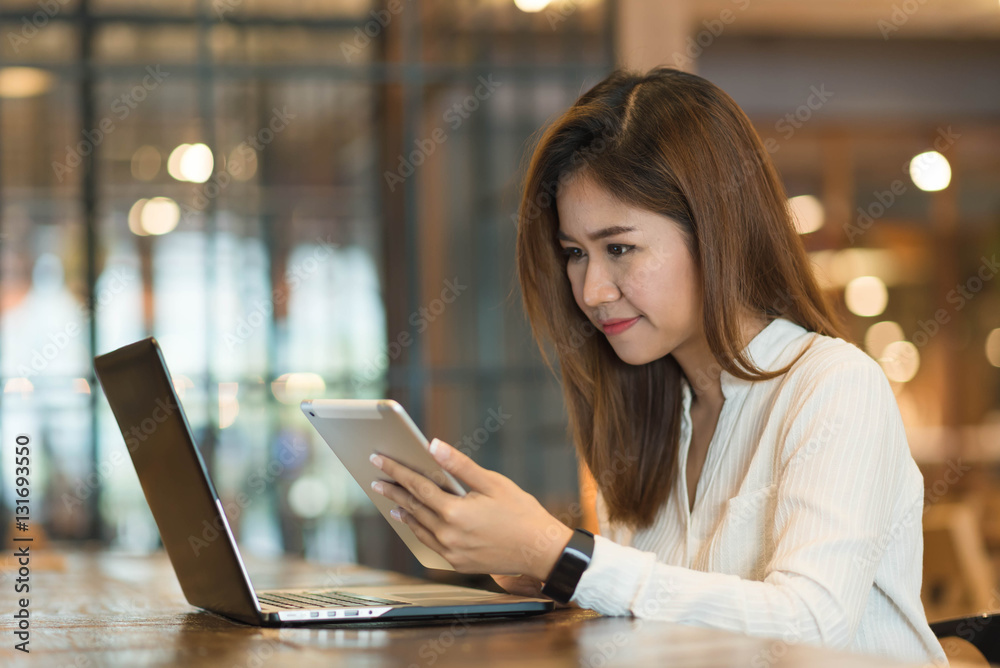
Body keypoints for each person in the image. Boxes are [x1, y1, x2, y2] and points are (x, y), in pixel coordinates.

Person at [368, 67, 946, 665]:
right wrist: (548, 573)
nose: (591, 290)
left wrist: (564, 555)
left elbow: (805, 631)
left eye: (619, 248)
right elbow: (658, 632)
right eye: (574, 254)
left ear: (714, 231)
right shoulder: (649, 409)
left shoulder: (834, 386)